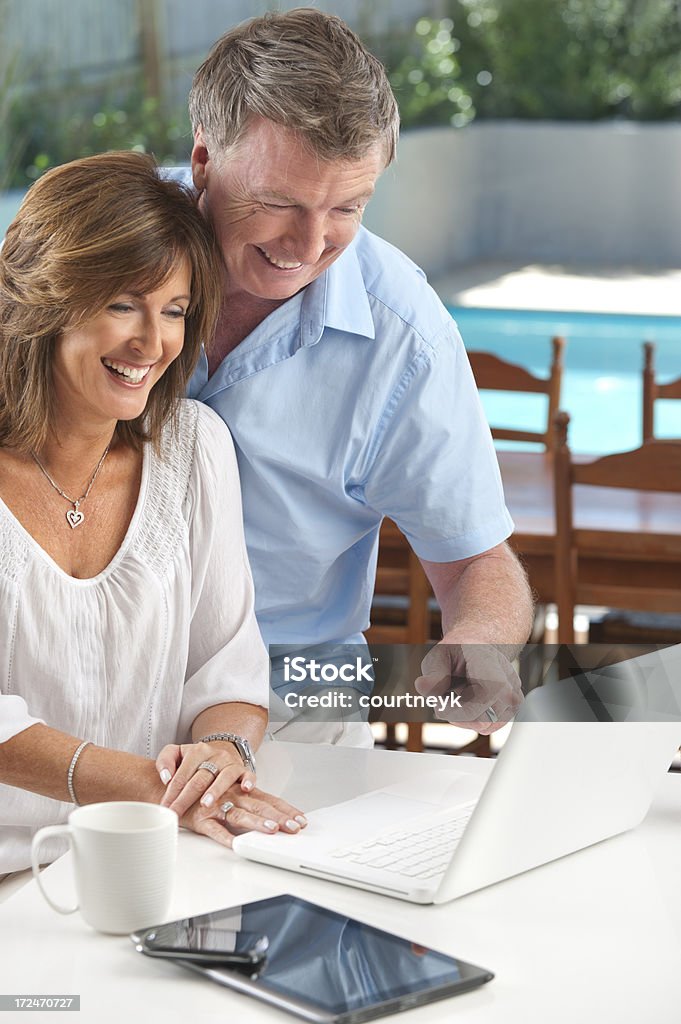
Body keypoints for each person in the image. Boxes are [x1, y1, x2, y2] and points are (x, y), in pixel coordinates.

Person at [185, 8, 534, 743]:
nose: (309, 245)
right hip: (86, 706)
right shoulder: (96, 261)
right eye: (278, 202)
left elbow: (475, 560)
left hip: (289, 714)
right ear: (204, 162)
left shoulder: (407, 340)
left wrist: (481, 641)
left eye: (346, 207)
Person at [0, 151, 306, 880]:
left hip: (155, 865)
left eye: (173, 311)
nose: (152, 343)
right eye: (121, 304)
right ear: (45, 297)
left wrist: (222, 758)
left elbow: (224, 666)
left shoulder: (196, 448)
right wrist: (158, 790)